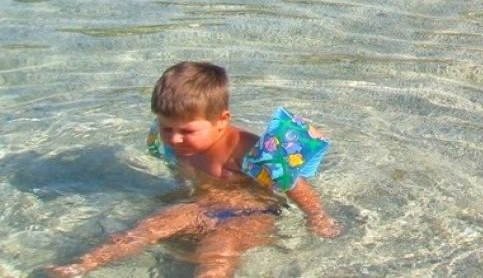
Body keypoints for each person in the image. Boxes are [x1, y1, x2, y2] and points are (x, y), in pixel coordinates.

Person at [45, 62, 337, 277]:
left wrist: (317, 217)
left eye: (186, 131)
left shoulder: (247, 150)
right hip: (199, 205)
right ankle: (79, 267)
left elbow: (295, 185)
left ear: (222, 120)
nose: (174, 138)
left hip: (250, 213)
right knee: (144, 230)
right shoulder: (175, 145)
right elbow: (182, 177)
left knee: (216, 255)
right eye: (166, 128)